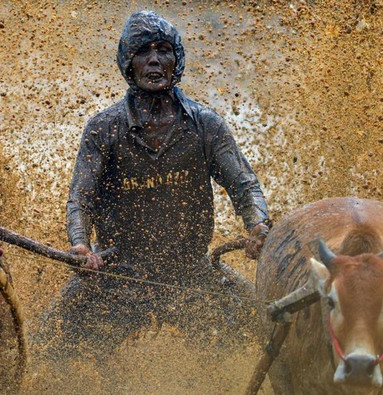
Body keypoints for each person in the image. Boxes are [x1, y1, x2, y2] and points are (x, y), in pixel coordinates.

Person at [35, 10, 271, 363]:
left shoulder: (206, 124)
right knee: (43, 349)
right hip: (117, 273)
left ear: (177, 60)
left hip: (191, 272)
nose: (155, 60)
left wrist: (257, 226)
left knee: (268, 330)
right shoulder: (104, 128)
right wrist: (81, 247)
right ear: (128, 63)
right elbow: (80, 199)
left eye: (164, 50)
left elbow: (243, 184)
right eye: (144, 52)